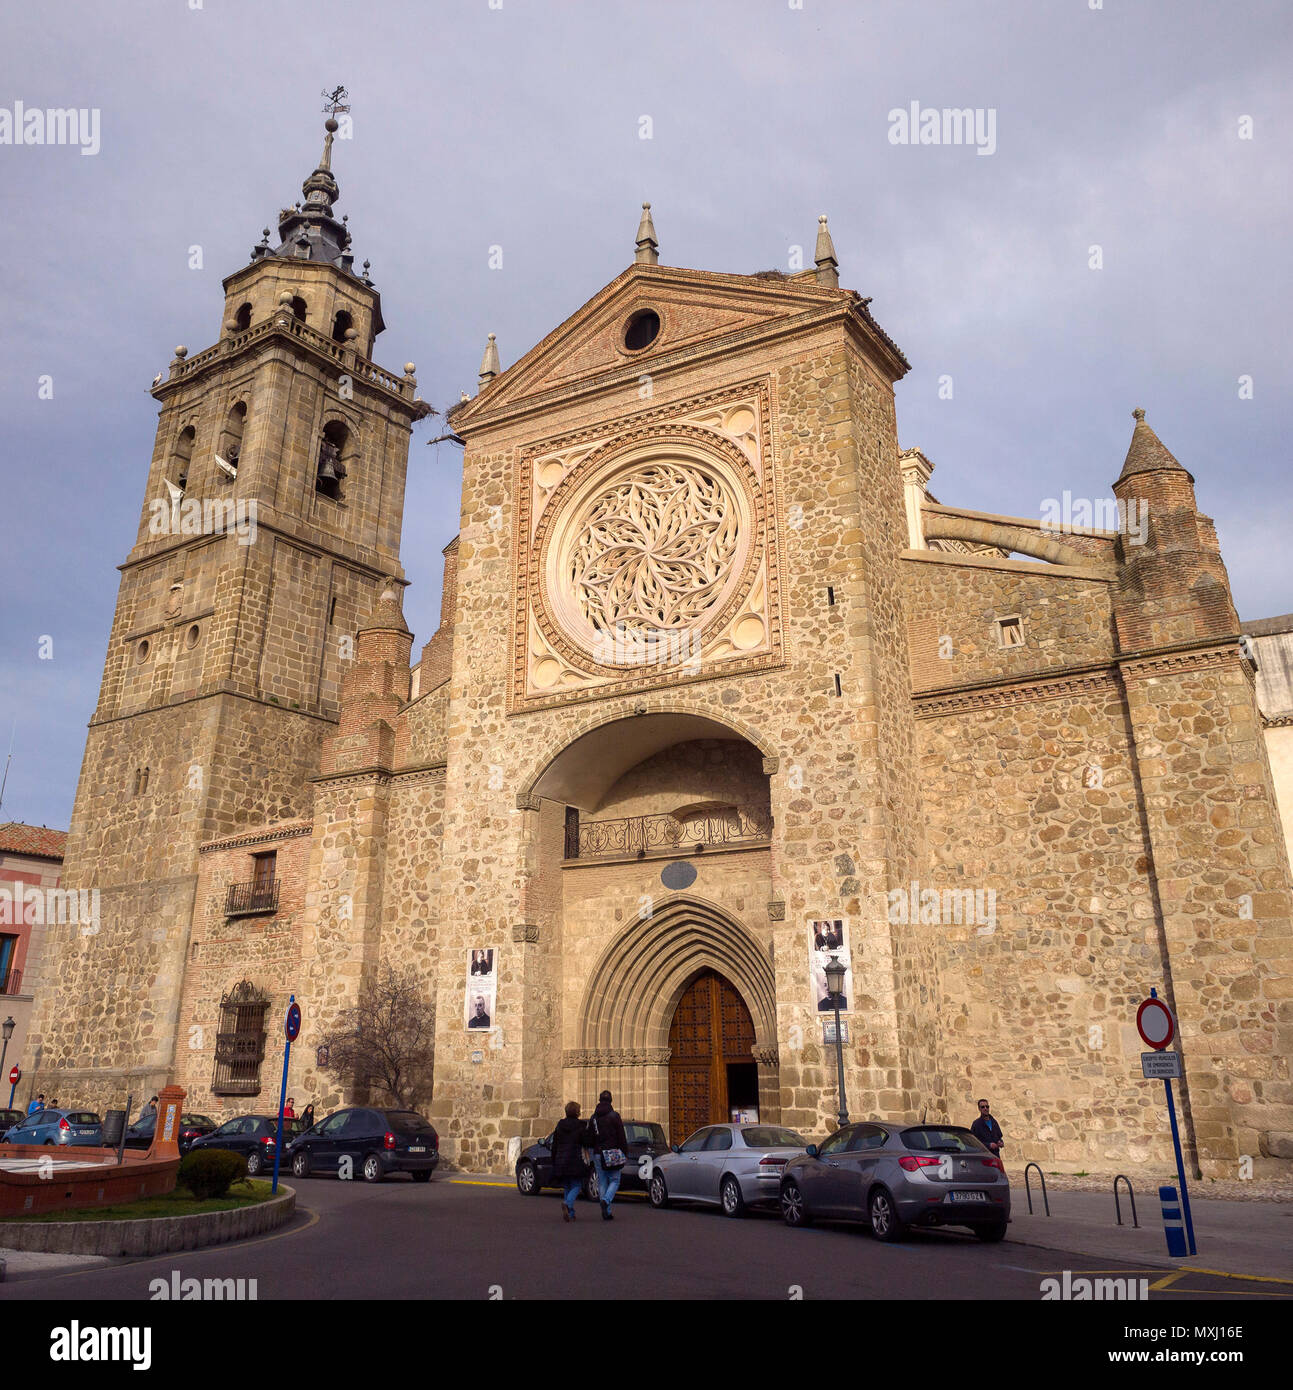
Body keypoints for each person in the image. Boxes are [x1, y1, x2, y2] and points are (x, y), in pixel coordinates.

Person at [586, 1089, 628, 1221]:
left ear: (599, 1100)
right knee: (615, 1180)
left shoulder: (594, 1117)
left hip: (598, 1152)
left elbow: (590, 1136)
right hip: (612, 1152)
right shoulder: (614, 1116)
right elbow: (621, 1135)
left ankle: (607, 1212)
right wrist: (624, 1151)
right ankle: (606, 1200)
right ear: (611, 1101)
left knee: (602, 1181)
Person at [550, 1101, 588, 1223]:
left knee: (567, 1186)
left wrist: (554, 1160)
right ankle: (568, 1203)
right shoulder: (580, 1126)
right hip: (575, 1158)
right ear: (577, 1112)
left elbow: (554, 1144)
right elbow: (585, 1142)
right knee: (577, 1185)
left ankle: (571, 1213)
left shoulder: (560, 1125)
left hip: (562, 1159)